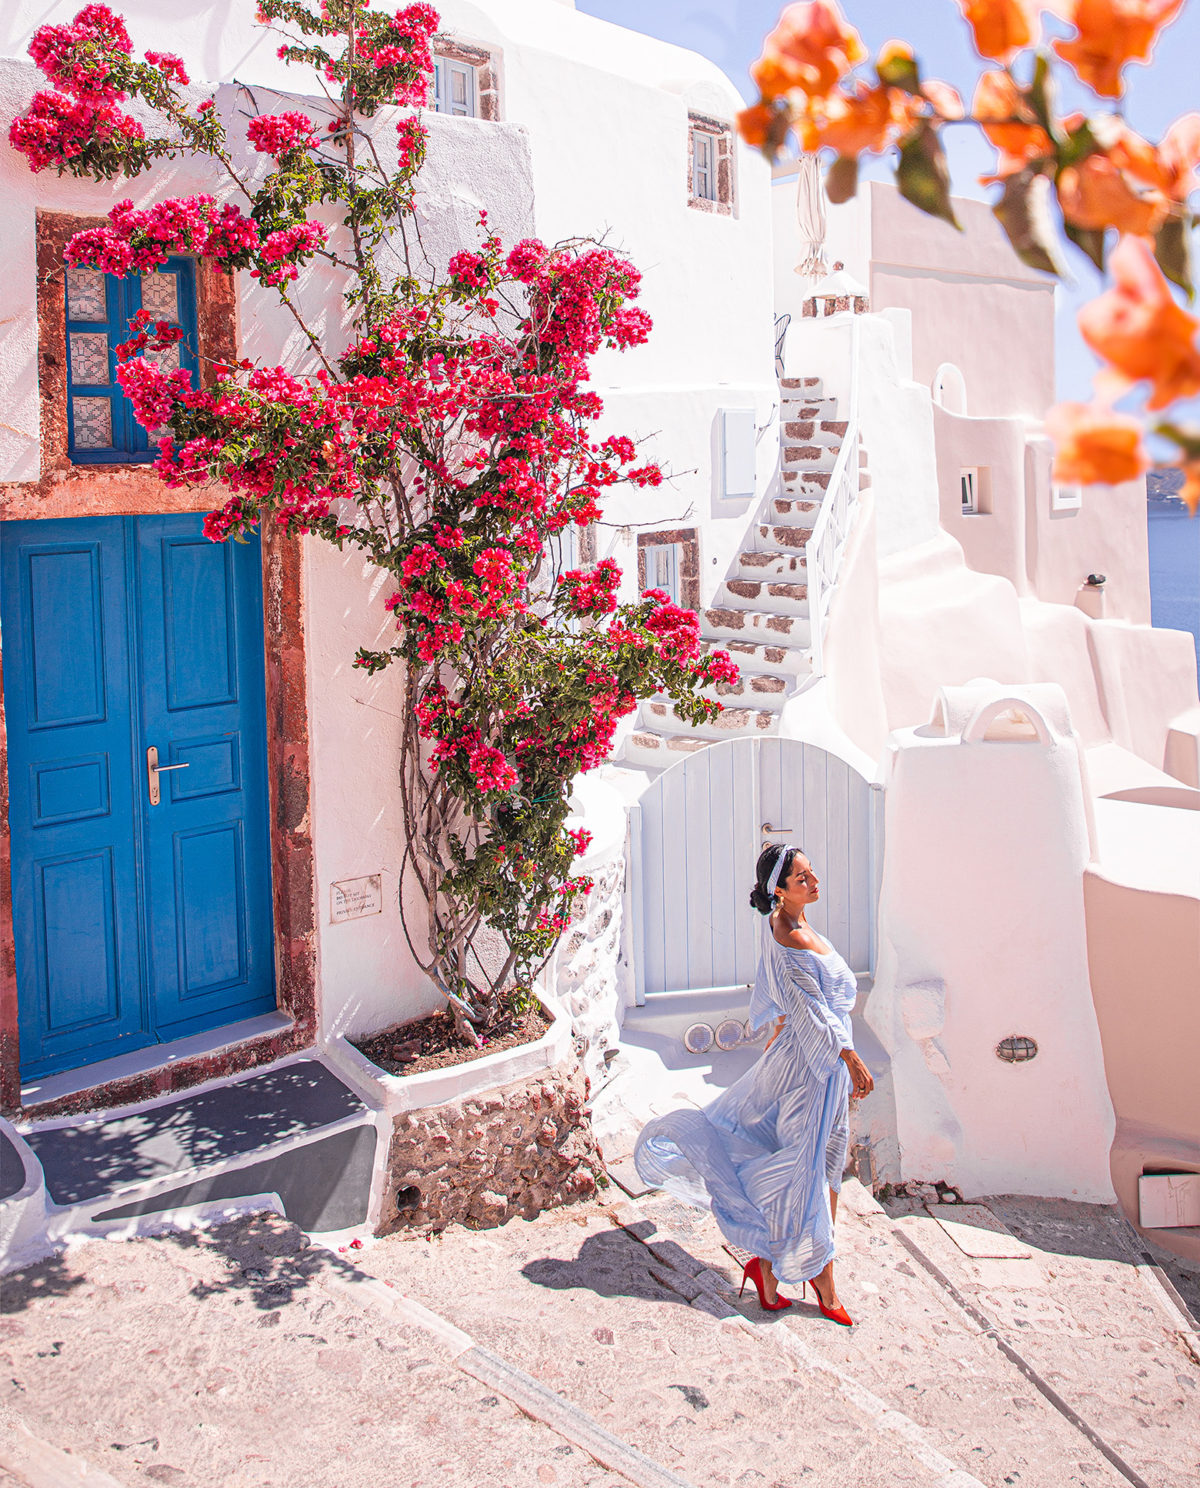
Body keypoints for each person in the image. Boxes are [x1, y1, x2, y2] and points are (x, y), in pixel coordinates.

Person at [633, 843, 874, 1323]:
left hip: (805, 1058)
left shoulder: (790, 924)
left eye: (811, 872)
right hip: (814, 1068)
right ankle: (822, 1280)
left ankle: (766, 1266)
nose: (814, 880)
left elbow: (792, 1003)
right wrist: (850, 1058)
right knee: (809, 1169)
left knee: (818, 1165)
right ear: (779, 891)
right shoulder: (790, 937)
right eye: (802, 878)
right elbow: (811, 1009)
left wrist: (789, 1033)